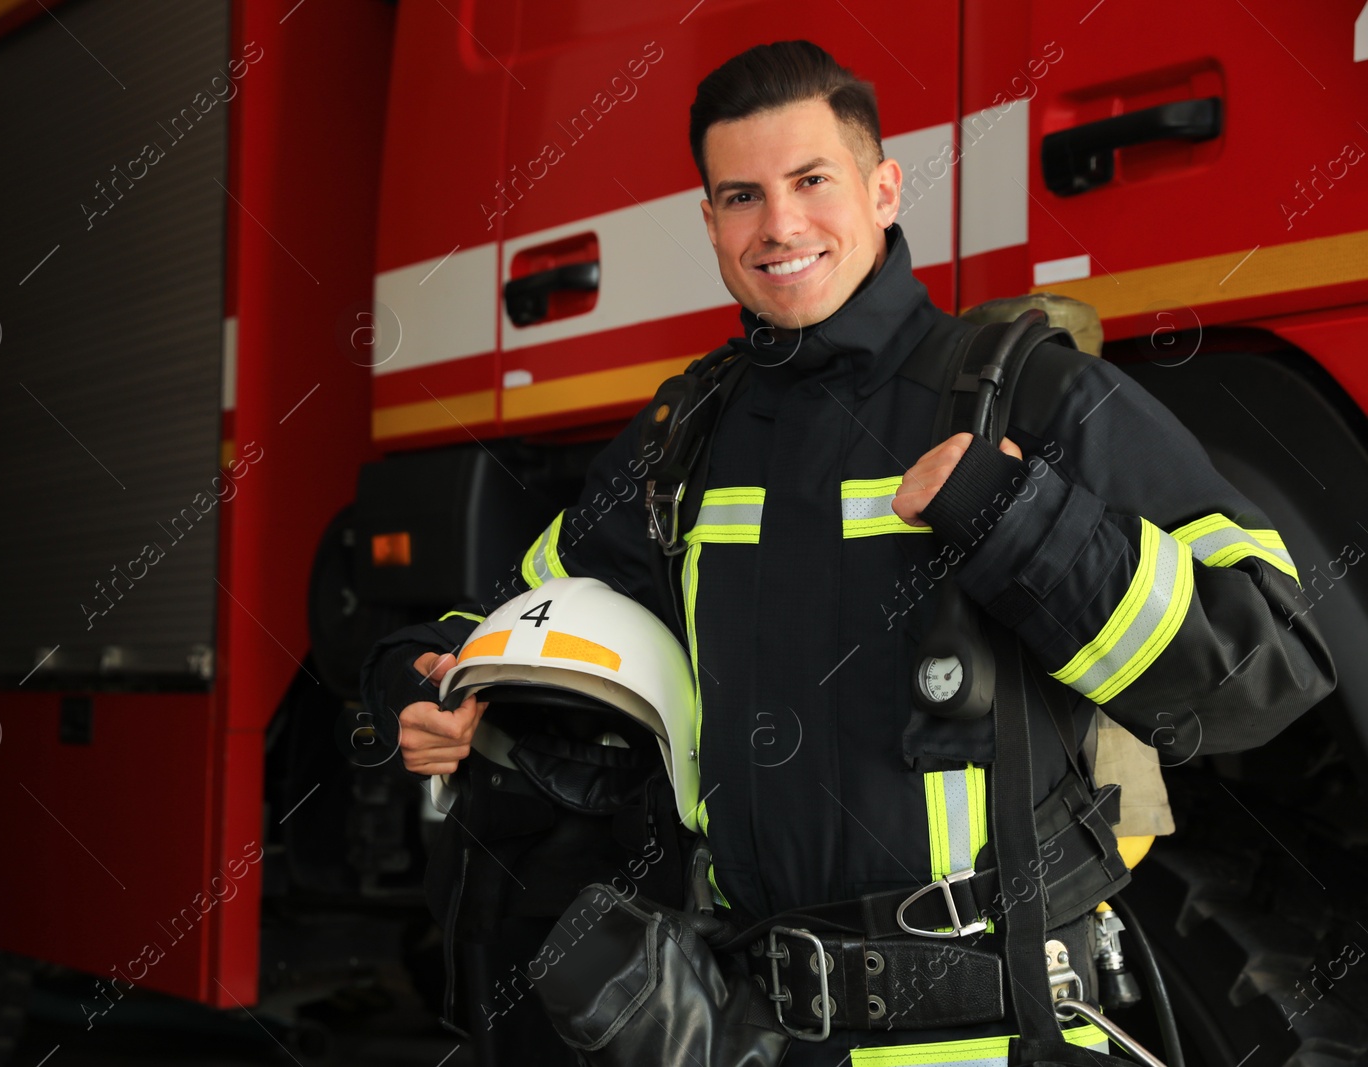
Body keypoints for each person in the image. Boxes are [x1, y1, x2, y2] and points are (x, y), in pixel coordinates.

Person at [362, 40, 1335, 1063]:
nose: (778, 225)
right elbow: (516, 615)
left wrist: (1017, 516)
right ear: (707, 221)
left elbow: (1262, 668)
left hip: (998, 1033)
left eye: (811, 181)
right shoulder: (683, 438)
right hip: (754, 1029)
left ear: (881, 189)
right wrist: (424, 684)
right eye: (741, 195)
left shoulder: (1029, 394)